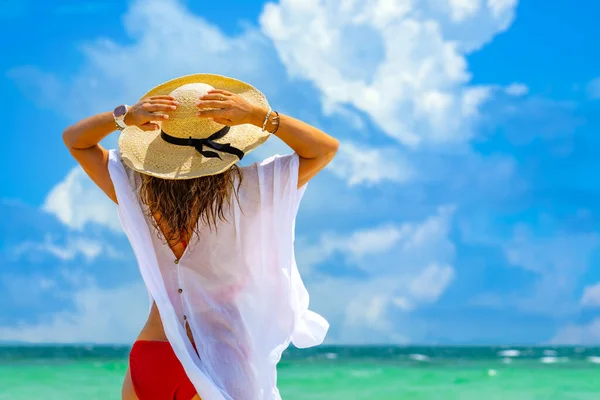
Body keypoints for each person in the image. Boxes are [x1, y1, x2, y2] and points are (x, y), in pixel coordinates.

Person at [62, 74, 338, 400]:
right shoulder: (252, 190)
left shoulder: (136, 191)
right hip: (219, 357)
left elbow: (76, 140)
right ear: (230, 142)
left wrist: (124, 117)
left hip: (155, 352)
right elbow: (323, 149)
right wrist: (259, 117)